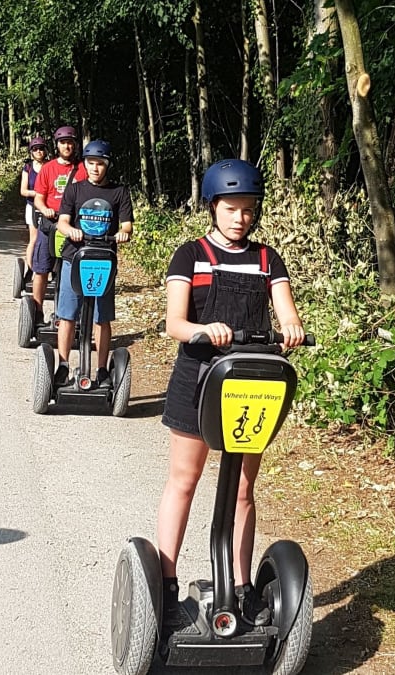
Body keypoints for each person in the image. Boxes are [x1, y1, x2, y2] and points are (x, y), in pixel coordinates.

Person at [156, 159, 305, 628]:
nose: (240, 217)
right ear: (213, 207)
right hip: (199, 378)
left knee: (242, 489)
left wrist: (292, 327)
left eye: (248, 209)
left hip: (251, 384)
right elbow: (174, 323)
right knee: (185, 479)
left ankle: (241, 588)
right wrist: (205, 329)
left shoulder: (267, 259)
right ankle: (166, 583)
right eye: (231, 208)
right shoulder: (190, 255)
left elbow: (286, 310)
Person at [54, 140, 133, 386]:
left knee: (102, 316)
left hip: (104, 260)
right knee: (67, 315)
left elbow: (127, 225)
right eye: (91, 163)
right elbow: (63, 221)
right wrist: (71, 231)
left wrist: (123, 233)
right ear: (85, 164)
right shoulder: (75, 189)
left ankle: (101, 369)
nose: (95, 168)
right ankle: (64, 364)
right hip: (74, 257)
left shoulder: (119, 191)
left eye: (100, 164)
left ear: (107, 165)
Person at [31, 126, 88, 321]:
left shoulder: (83, 169)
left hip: (73, 227)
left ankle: (68, 314)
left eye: (70, 142)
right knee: (41, 269)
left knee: (70, 271)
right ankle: (37, 311)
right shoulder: (48, 168)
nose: (67, 146)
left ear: (75, 144)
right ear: (57, 145)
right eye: (63, 142)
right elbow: (39, 198)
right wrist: (44, 208)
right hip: (50, 225)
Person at [19, 137, 48, 275]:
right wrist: (37, 193)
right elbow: (23, 191)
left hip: (49, 207)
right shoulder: (28, 168)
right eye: (35, 149)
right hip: (32, 206)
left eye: (41, 149)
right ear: (31, 152)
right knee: (34, 238)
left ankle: (52, 269)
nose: (38, 152)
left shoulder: (50, 166)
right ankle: (31, 270)